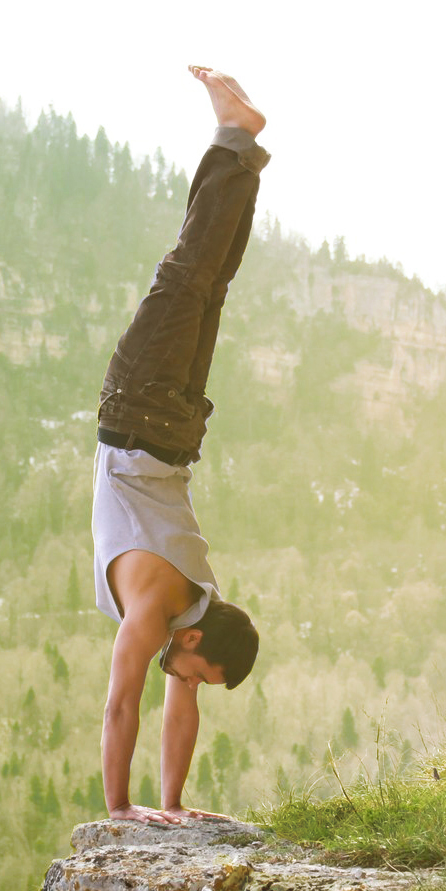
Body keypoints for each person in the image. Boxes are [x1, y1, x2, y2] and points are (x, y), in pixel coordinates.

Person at [92, 66, 266, 825]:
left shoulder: (198, 594)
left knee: (208, 280)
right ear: (191, 637)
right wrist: (123, 808)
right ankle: (235, 137)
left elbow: (175, 709)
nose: (184, 681)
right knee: (187, 270)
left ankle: (245, 152)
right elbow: (121, 704)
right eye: (193, 668)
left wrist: (173, 805)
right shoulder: (154, 610)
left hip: (179, 428)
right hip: (135, 412)